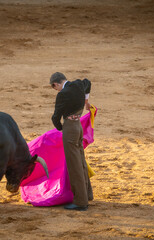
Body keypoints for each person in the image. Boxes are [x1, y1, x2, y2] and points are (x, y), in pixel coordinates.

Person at [49, 72, 93, 211]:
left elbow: (56, 117)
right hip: (79, 126)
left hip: (70, 128)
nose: (57, 90)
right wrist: (86, 101)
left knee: (74, 165)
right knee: (80, 160)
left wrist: (61, 128)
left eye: (55, 88)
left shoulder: (62, 94)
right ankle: (87, 194)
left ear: (55, 84)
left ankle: (80, 202)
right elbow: (88, 82)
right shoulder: (79, 84)